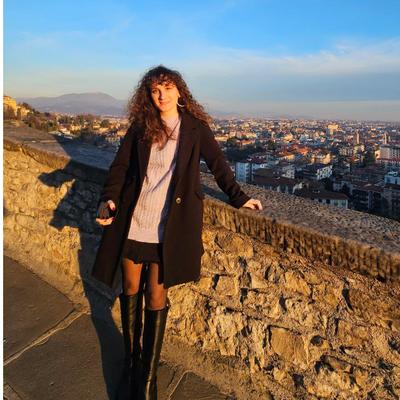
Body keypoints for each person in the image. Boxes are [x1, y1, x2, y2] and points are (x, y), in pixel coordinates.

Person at [92, 65, 262, 400]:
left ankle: (147, 380)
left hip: (168, 227)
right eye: (156, 91)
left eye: (168, 88)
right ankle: (131, 363)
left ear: (180, 91)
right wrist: (108, 199)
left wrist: (239, 197)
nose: (162, 96)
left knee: (156, 296)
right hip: (135, 220)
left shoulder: (195, 128)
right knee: (130, 289)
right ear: (149, 95)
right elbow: (120, 167)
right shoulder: (141, 126)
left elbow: (218, 165)